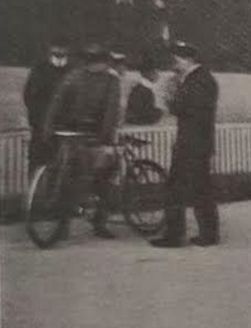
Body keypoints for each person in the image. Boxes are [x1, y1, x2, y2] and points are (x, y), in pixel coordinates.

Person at [41, 42, 122, 239]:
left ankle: (64, 226)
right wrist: (105, 139)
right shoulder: (110, 80)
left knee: (70, 176)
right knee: (102, 175)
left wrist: (48, 128)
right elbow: (110, 112)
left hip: (75, 133)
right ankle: (98, 222)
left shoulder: (74, 76)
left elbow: (55, 103)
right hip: (92, 135)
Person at [150, 41, 221, 248]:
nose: (174, 64)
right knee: (201, 189)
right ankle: (208, 235)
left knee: (176, 189)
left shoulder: (197, 80)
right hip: (198, 143)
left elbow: (188, 109)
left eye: (176, 60)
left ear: (187, 59)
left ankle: (175, 236)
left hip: (191, 144)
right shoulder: (203, 78)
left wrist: (167, 99)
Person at [23, 39, 72, 173]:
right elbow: (29, 96)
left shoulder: (71, 71)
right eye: (57, 53)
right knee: (39, 161)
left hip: (60, 127)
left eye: (62, 53)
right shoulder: (40, 70)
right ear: (50, 52)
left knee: (58, 164)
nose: (59, 57)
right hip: (42, 125)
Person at [125, 58, 164, 126]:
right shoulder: (140, 90)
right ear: (147, 73)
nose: (158, 75)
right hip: (137, 122)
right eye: (155, 72)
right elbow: (139, 111)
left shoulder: (144, 88)